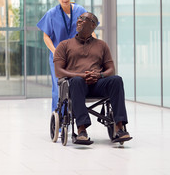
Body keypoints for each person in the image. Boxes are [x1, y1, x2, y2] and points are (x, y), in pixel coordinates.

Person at [53, 12, 132, 142]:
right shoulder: (64, 45)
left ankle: (119, 127)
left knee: (116, 80)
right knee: (77, 81)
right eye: (78, 18)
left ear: (93, 25)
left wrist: (99, 75)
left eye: (83, 19)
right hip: (76, 85)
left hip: (97, 84)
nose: (79, 20)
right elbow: (59, 71)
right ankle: (81, 130)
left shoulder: (102, 45)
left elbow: (111, 69)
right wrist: (82, 75)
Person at [37, 0, 87, 112]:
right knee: (60, 88)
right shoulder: (51, 14)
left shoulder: (80, 11)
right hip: (59, 57)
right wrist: (55, 52)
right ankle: (60, 122)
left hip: (78, 56)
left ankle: (78, 119)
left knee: (77, 85)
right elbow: (46, 37)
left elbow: (89, 30)